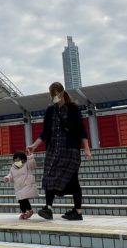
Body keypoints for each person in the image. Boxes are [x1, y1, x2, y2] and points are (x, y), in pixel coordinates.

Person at [27, 81, 92, 221]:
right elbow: (45, 132)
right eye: (53, 96)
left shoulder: (73, 109)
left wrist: (86, 148)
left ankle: (78, 212)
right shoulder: (50, 111)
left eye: (56, 94)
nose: (55, 98)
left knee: (73, 180)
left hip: (69, 150)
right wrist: (34, 145)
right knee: (49, 176)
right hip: (53, 150)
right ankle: (48, 208)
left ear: (62, 93)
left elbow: (81, 130)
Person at [3, 150, 38, 220]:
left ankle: (29, 210)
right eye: (15, 160)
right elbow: (11, 175)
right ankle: (23, 212)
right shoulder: (13, 167)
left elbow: (33, 165)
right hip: (18, 186)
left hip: (26, 184)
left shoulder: (27, 164)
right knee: (20, 200)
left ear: (23, 159)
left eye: (18, 160)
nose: (17, 162)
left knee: (24, 198)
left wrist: (30, 157)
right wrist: (7, 178)